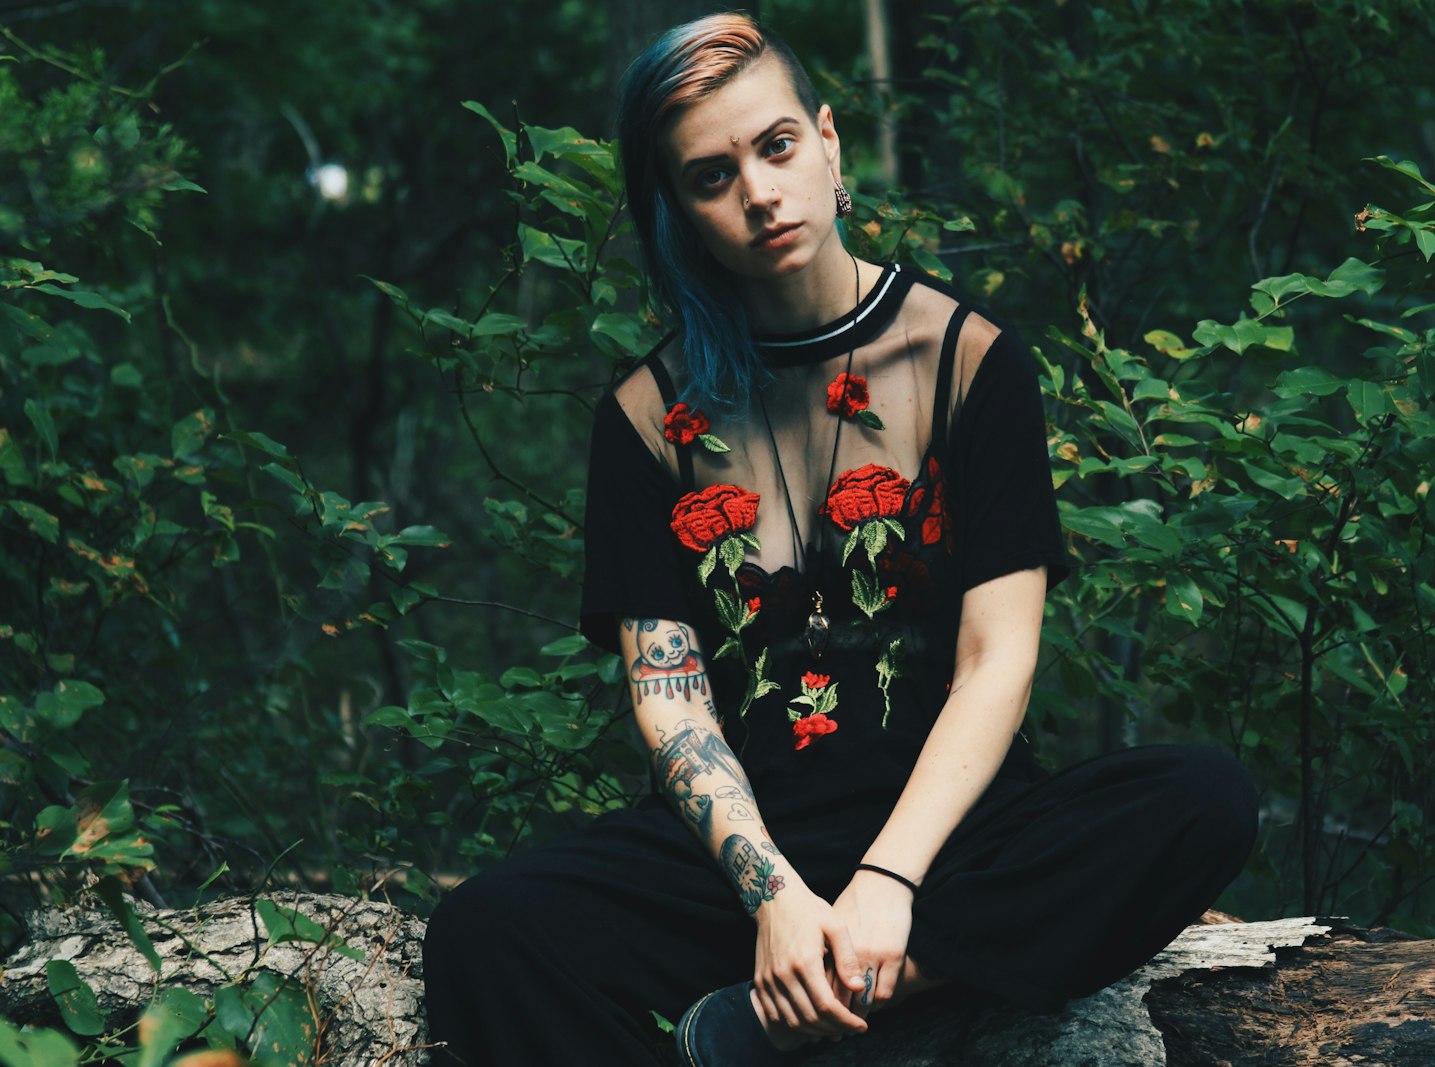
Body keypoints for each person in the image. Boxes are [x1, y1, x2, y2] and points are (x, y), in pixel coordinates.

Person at [422, 12, 1258, 1065]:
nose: (760, 193)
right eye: (712, 176)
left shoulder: (970, 361)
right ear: (680, 208)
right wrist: (772, 894)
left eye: (774, 147)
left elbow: (997, 658)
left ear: (826, 141)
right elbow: (668, 695)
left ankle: (838, 1000)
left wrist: (886, 887)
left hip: (951, 838)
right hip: (739, 867)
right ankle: (823, 976)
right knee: (487, 929)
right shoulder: (644, 415)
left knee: (1198, 797)